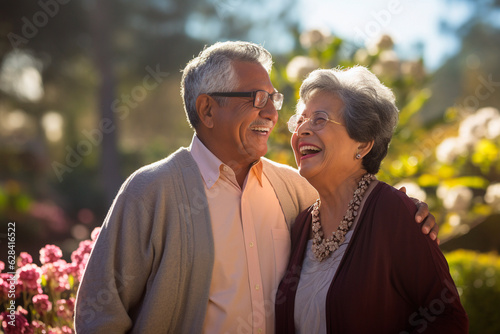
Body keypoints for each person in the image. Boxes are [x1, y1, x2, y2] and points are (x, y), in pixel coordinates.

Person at [74, 42, 438, 334]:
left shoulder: (293, 189)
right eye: (256, 98)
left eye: (274, 100)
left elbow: (355, 209)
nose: (272, 114)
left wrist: (407, 210)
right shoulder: (150, 191)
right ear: (208, 109)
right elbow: (99, 316)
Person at [275, 66, 468, 333]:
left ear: (363, 144)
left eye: (319, 119)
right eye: (300, 120)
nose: (302, 130)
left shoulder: (396, 213)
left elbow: (448, 318)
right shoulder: (301, 224)